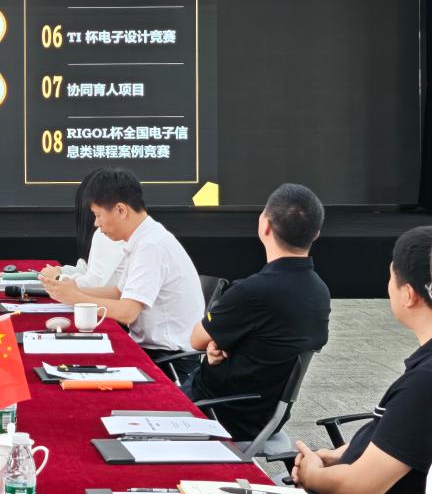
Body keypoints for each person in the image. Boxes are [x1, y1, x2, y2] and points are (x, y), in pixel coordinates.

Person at [183, 183, 330, 441]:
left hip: (215, 411)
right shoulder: (319, 291)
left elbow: (196, 339)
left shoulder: (251, 291)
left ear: (265, 226)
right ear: (316, 234)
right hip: (264, 416)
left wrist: (216, 342)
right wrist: (220, 344)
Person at [292, 226, 432, 494]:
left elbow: (358, 486)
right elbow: (408, 438)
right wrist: (342, 454)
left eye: (391, 276)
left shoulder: (423, 384)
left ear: (408, 294)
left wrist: (311, 474)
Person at [40, 167, 204, 381]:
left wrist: (76, 298)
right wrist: (71, 290)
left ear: (120, 210)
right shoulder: (143, 239)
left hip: (170, 363)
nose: (96, 224)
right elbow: (119, 292)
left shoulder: (151, 245)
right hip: (154, 352)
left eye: (98, 215)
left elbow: (127, 312)